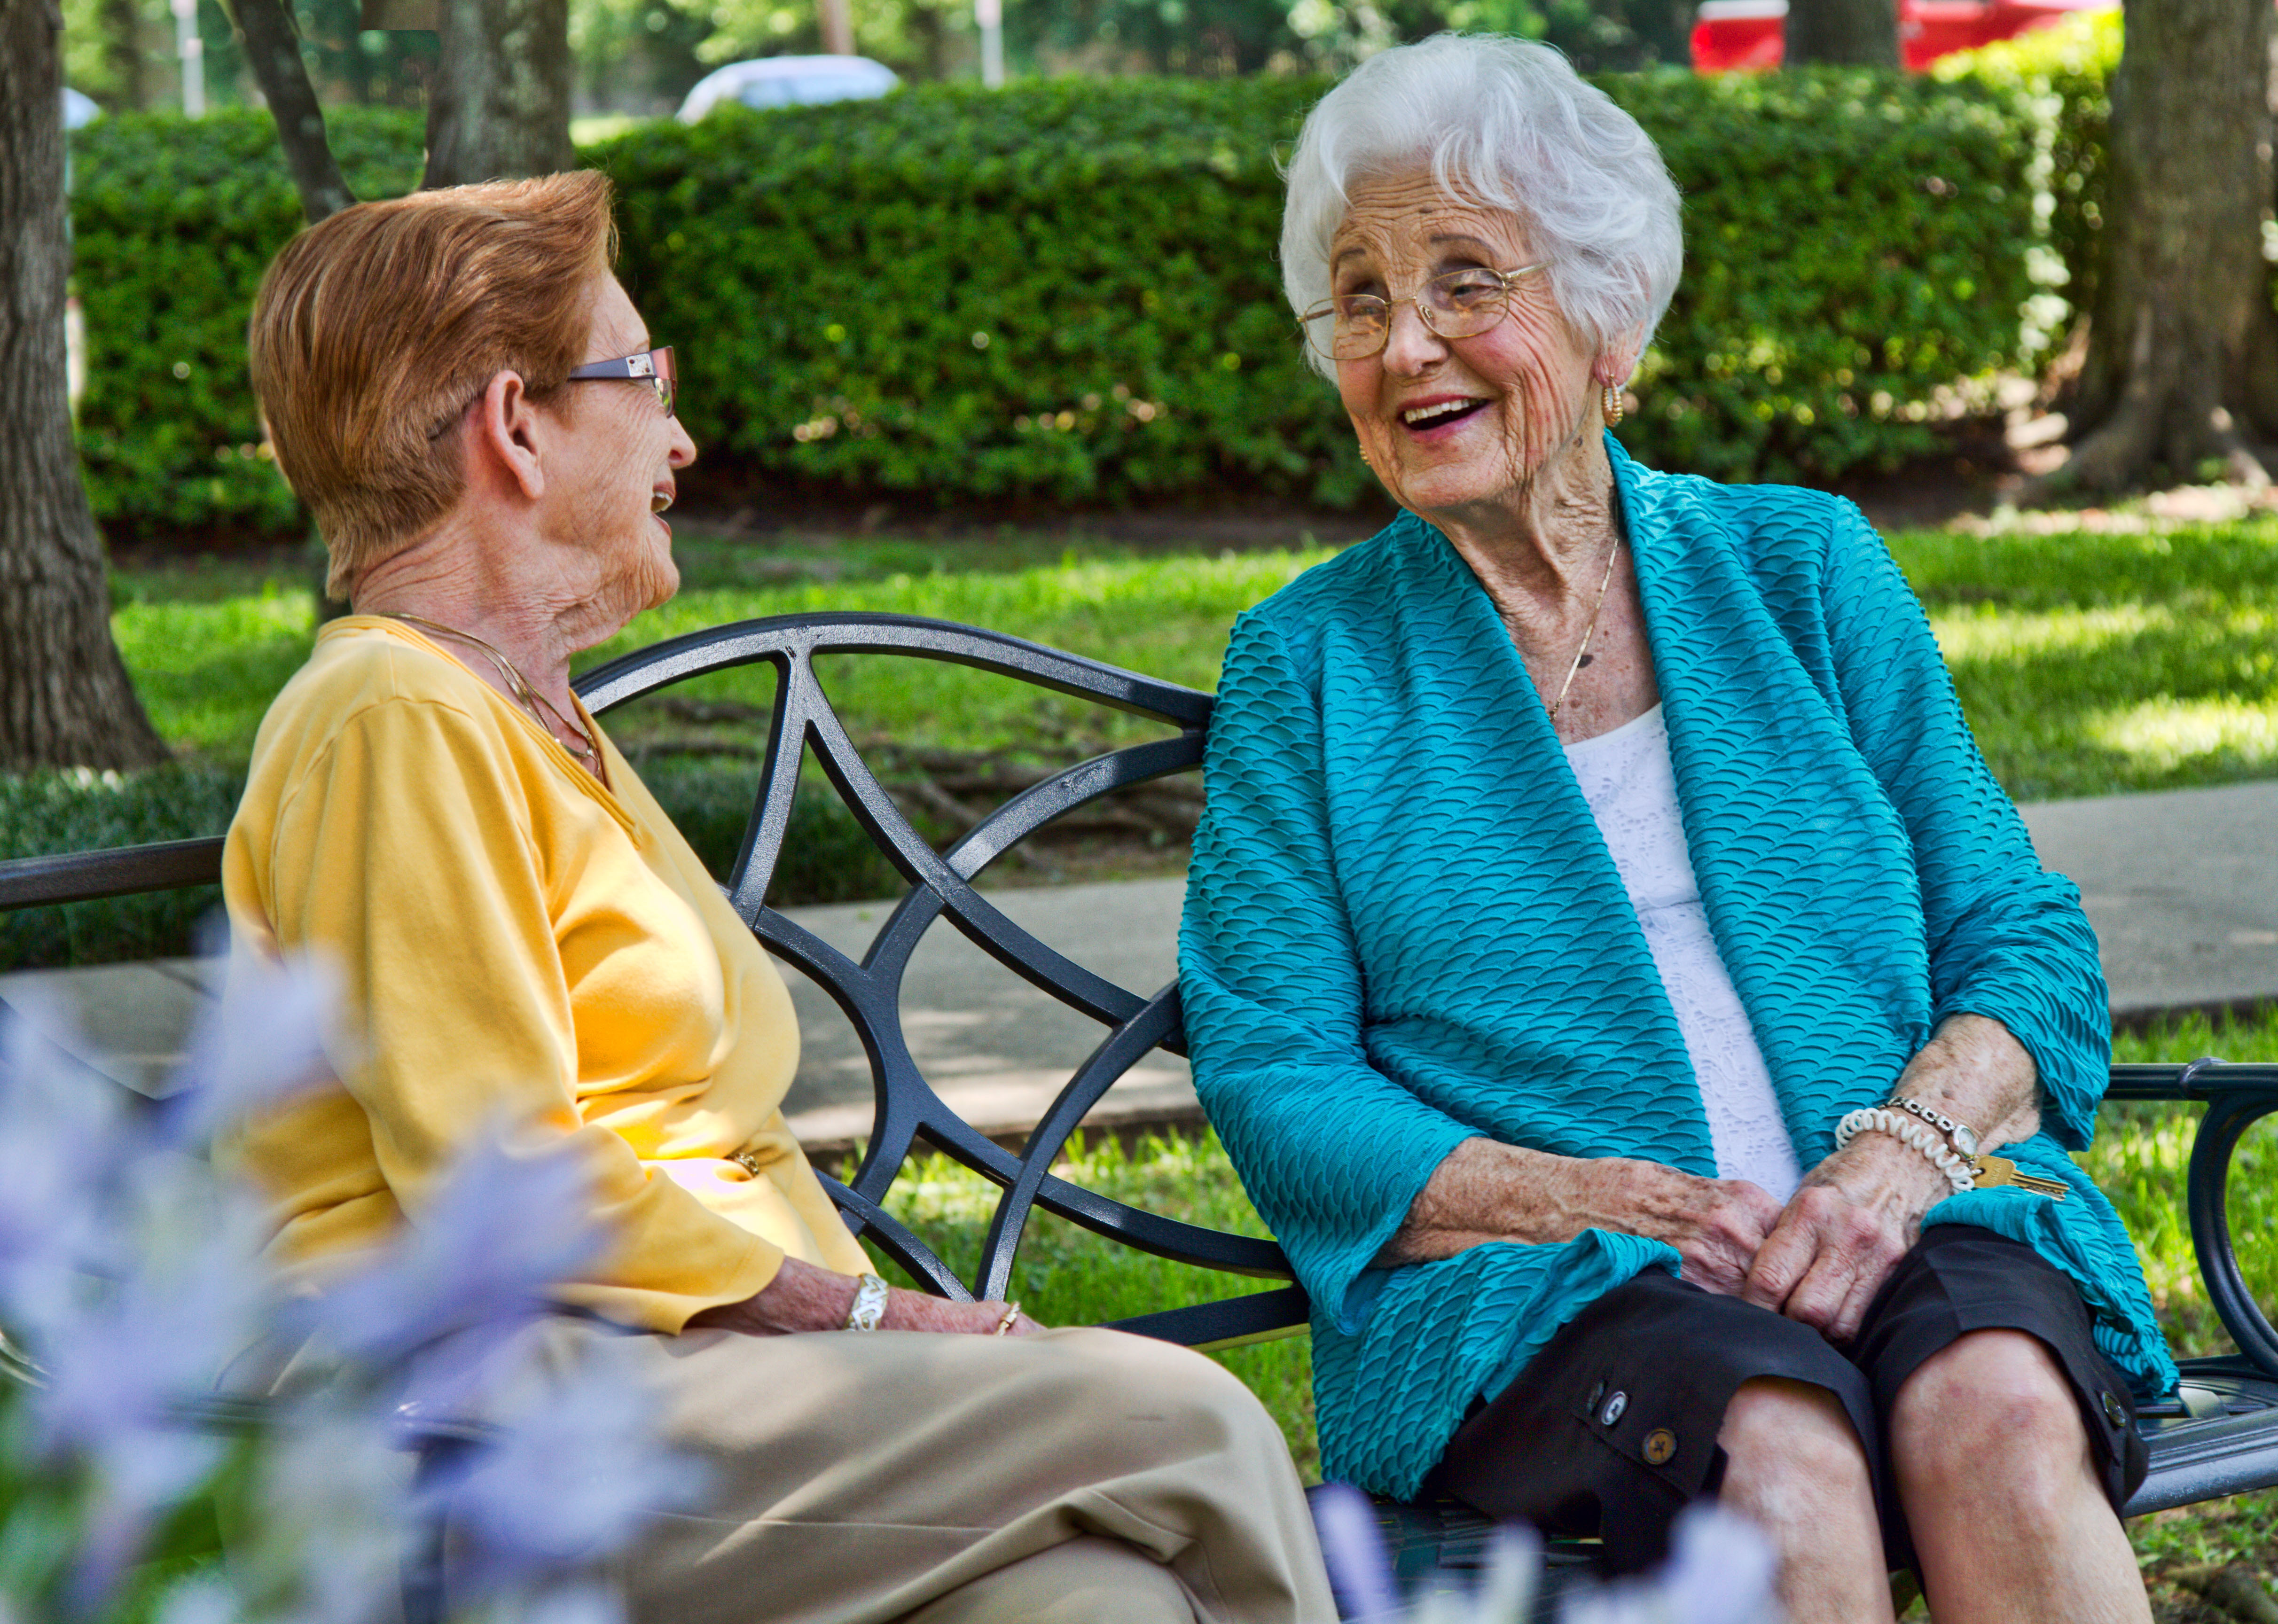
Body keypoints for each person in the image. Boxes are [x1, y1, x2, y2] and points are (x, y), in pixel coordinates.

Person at [221, 171, 1334, 1624]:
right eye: (646, 381)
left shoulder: (525, 716)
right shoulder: (390, 716)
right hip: (482, 1431)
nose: (679, 437)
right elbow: (499, 1178)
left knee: (1094, 1604)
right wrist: (870, 1316)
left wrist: (874, 1353)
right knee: (1182, 1421)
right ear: (515, 425)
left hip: (704, 1394)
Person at [1176, 34, 2176, 1624]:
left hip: (1906, 1203)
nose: (1408, 343)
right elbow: (1274, 1072)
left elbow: (2022, 941)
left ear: (1606, 319)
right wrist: (1603, 1200)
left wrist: (1893, 1164)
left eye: (1462, 281)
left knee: (1990, 1407)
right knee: (1776, 1450)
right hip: (1550, 1294)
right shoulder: (1309, 666)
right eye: (1360, 301)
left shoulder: (1803, 569)